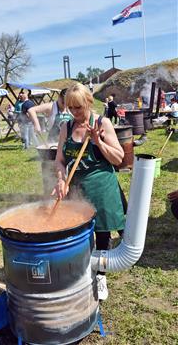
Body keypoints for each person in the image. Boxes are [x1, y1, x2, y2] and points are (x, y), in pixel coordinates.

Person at [53, 83, 125, 300]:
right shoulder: (66, 127)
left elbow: (119, 158)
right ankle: (83, 269)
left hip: (100, 184)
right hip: (77, 186)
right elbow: (59, 160)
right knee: (79, 231)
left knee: (101, 232)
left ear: (89, 103)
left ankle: (101, 276)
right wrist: (61, 180)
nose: (74, 112)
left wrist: (98, 142)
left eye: (78, 107)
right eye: (70, 108)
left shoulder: (101, 123)